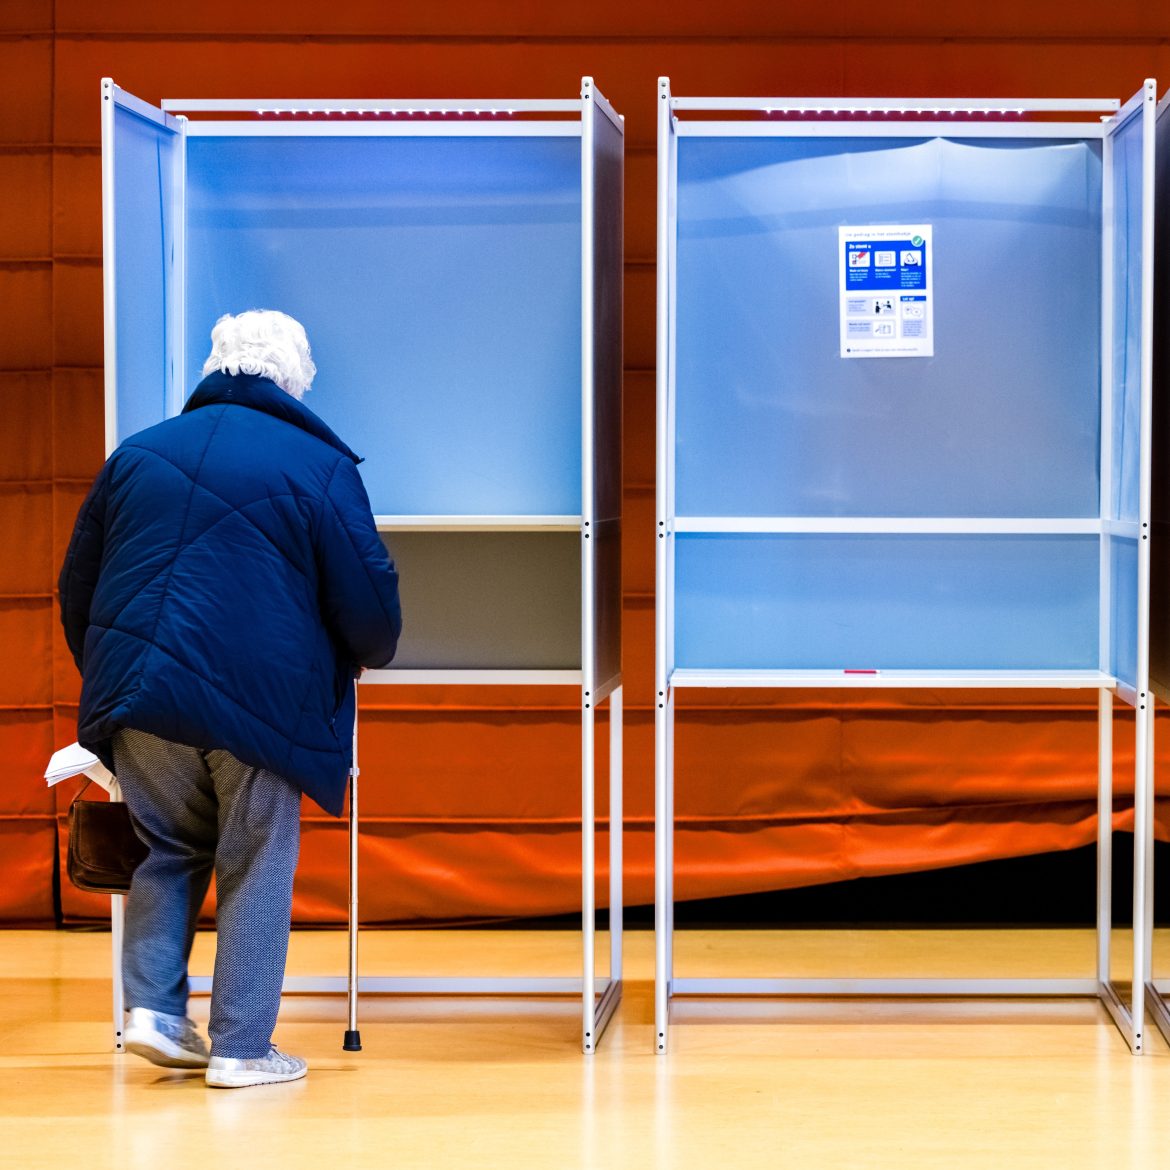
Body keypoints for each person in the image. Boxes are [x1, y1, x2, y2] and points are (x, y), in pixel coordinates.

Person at [58, 310, 402, 1088]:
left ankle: (153, 1012)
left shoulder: (136, 455)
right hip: (262, 702)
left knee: (164, 848)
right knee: (255, 856)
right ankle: (243, 1049)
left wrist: (118, 675)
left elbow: (77, 586)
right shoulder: (318, 464)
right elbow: (368, 599)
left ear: (217, 367)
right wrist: (370, 652)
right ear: (293, 380)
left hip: (141, 693)